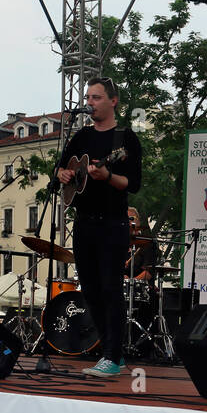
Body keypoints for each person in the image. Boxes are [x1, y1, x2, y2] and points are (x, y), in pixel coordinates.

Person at [56, 78, 143, 378]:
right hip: (83, 223)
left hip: (112, 223)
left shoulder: (125, 139)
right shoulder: (81, 135)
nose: (90, 102)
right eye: (88, 97)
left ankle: (112, 355)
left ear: (113, 101)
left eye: (96, 97)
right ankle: (110, 354)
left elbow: (132, 183)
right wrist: (66, 174)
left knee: (110, 289)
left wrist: (107, 176)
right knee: (91, 290)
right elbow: (59, 167)